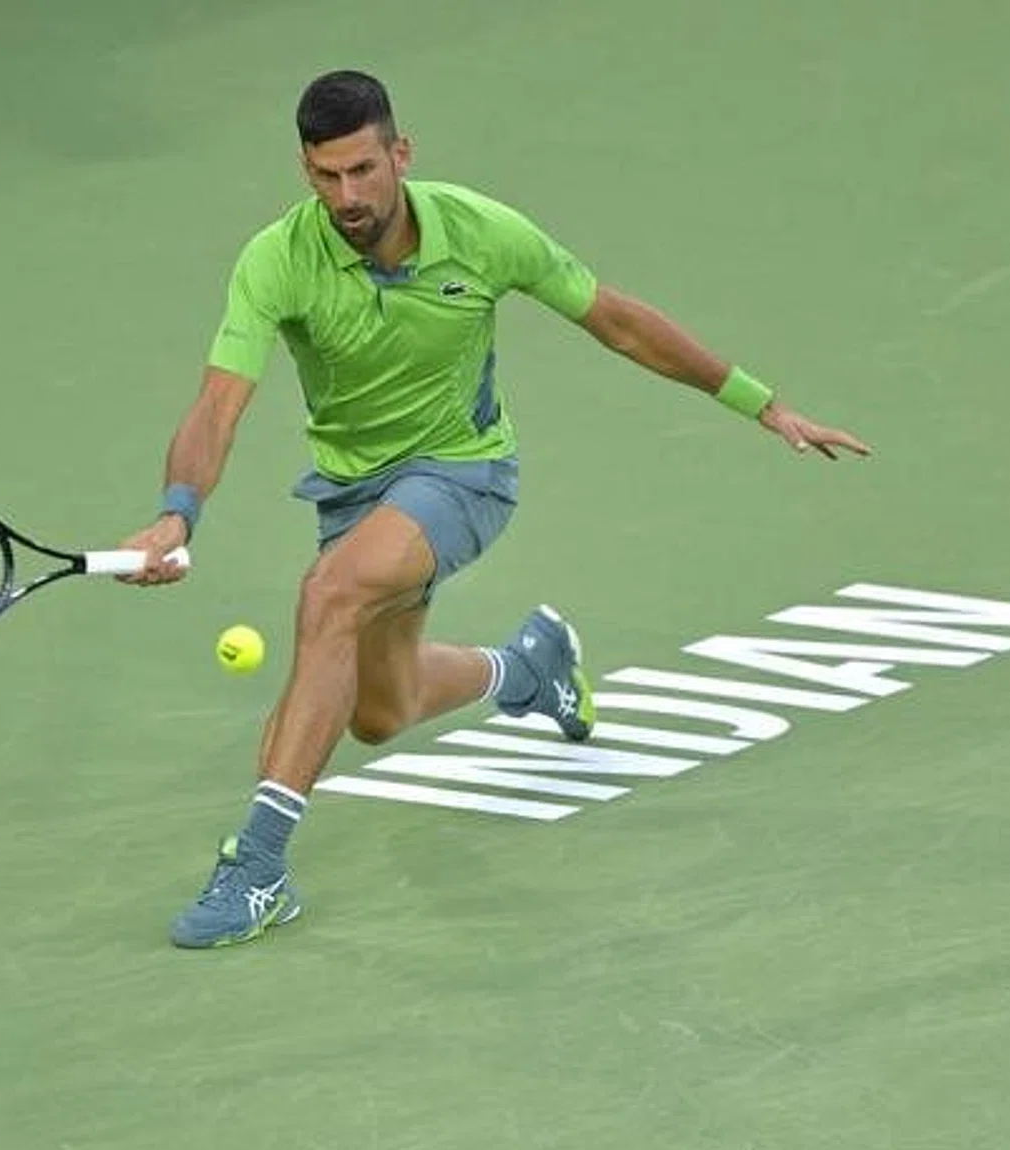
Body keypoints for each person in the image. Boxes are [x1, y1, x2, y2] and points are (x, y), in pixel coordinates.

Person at [116, 69, 872, 949]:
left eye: (364, 170)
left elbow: (618, 320)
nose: (348, 196)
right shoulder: (276, 260)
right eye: (327, 177)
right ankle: (528, 669)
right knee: (378, 711)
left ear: (401, 154)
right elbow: (220, 403)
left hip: (462, 473)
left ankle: (258, 870)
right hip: (354, 493)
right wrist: (178, 512)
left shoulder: (483, 234)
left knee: (330, 596)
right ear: (305, 170)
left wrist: (763, 403)